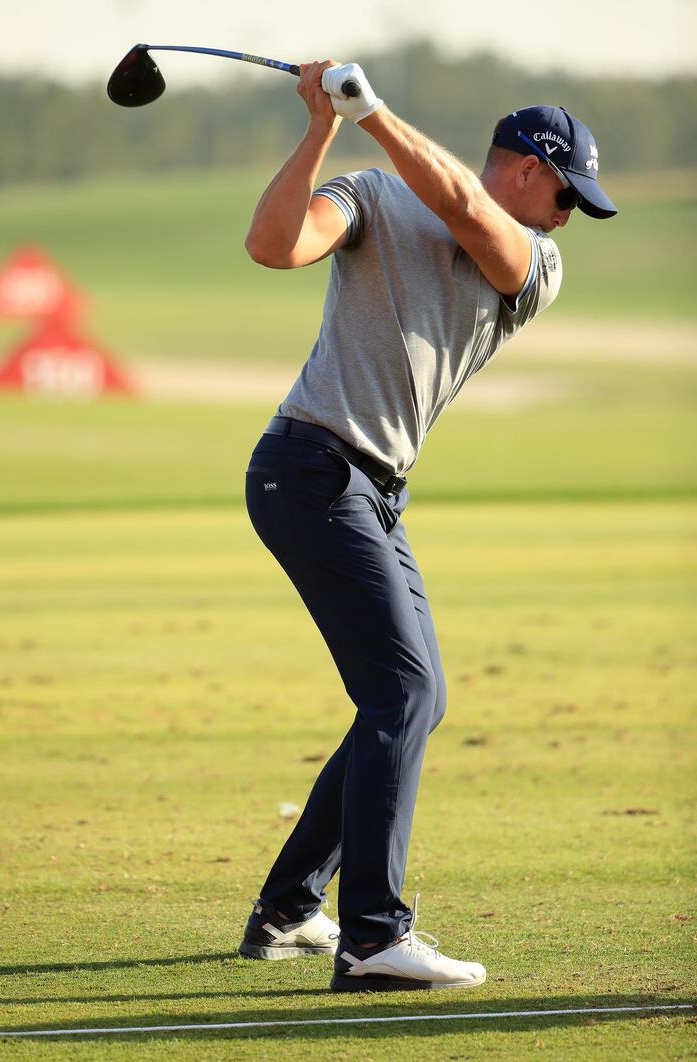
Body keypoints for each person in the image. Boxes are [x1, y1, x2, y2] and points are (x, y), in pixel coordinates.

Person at [238, 60, 616, 993]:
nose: (567, 218)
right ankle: (371, 936)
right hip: (310, 468)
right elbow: (274, 246)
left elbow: (463, 208)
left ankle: (291, 907)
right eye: (568, 197)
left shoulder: (535, 261)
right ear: (530, 166)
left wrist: (375, 114)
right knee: (402, 694)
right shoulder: (372, 193)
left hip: (366, 487)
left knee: (413, 697)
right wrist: (326, 125)